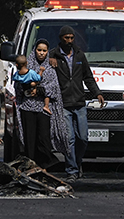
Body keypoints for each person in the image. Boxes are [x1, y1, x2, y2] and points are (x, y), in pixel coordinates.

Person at [51, 25, 104, 182]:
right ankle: (72, 171)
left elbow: (88, 77)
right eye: (66, 38)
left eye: (71, 38)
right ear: (61, 38)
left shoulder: (79, 55)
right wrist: (48, 60)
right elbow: (37, 61)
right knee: (69, 139)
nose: (69, 41)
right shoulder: (53, 55)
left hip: (79, 102)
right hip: (63, 103)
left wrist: (98, 93)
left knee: (83, 137)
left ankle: (77, 162)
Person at [16, 39, 66, 169]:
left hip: (44, 109)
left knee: (44, 139)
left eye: (44, 51)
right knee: (29, 139)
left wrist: (41, 90)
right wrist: (28, 88)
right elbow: (18, 86)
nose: (41, 53)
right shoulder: (26, 66)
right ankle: (30, 166)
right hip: (27, 107)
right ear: (35, 51)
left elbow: (54, 88)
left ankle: (45, 166)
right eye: (39, 50)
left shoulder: (50, 68)